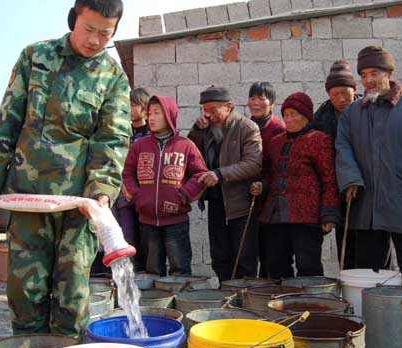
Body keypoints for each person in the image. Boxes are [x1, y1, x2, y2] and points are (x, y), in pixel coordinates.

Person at [0, 0, 131, 336]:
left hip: (78, 203)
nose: (94, 40)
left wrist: (102, 191)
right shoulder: (35, 57)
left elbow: (113, 138)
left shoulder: (113, 77)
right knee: (24, 287)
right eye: (88, 29)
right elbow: (8, 120)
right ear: (73, 18)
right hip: (28, 198)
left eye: (105, 34)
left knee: (72, 290)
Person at [335, 46, 402, 272]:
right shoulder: (352, 113)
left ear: (388, 74)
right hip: (368, 206)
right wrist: (351, 179)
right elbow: (342, 148)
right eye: (364, 75)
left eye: (374, 73)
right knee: (369, 271)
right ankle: (376, 309)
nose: (368, 80)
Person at [122, 96, 207, 275]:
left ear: (169, 116)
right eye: (149, 113)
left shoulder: (185, 145)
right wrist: (137, 196)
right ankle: (157, 303)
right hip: (147, 221)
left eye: (156, 113)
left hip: (176, 221)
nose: (151, 118)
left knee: (180, 269)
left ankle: (181, 302)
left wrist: (184, 195)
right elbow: (127, 172)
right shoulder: (139, 146)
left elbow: (200, 174)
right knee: (152, 270)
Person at [259, 93, 339, 278]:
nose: (289, 119)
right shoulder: (276, 142)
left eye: (294, 114)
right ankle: (281, 304)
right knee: (276, 265)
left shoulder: (319, 140)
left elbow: (329, 179)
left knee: (308, 265)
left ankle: (311, 304)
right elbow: (271, 175)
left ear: (306, 116)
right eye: (286, 114)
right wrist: (261, 187)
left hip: (307, 217)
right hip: (276, 216)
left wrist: (328, 213)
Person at [188, 86, 262, 282]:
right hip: (216, 200)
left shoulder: (246, 127)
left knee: (244, 256)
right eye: (205, 111)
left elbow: (254, 163)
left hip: (240, 203)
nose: (210, 115)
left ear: (228, 106)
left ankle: (244, 296)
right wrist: (196, 131)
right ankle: (225, 290)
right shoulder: (205, 129)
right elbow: (191, 153)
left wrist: (221, 174)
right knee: (220, 256)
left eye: (214, 110)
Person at [313, 60, 360, 270]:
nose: (341, 99)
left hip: (367, 187)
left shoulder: (368, 111)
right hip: (336, 189)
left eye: (345, 93)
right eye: (335, 94)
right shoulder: (320, 119)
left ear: (355, 90)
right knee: (345, 243)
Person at [246, 82, 285, 277]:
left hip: (272, 200)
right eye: (253, 98)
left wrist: (265, 184)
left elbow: (279, 167)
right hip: (248, 198)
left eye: (262, 98)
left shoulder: (278, 129)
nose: (256, 103)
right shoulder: (245, 126)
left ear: (271, 103)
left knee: (272, 255)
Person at [115, 87, 150, 271]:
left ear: (145, 108)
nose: (129, 108)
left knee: (147, 242)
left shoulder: (151, 133)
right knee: (128, 238)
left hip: (146, 195)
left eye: (134, 104)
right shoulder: (122, 131)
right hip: (124, 195)